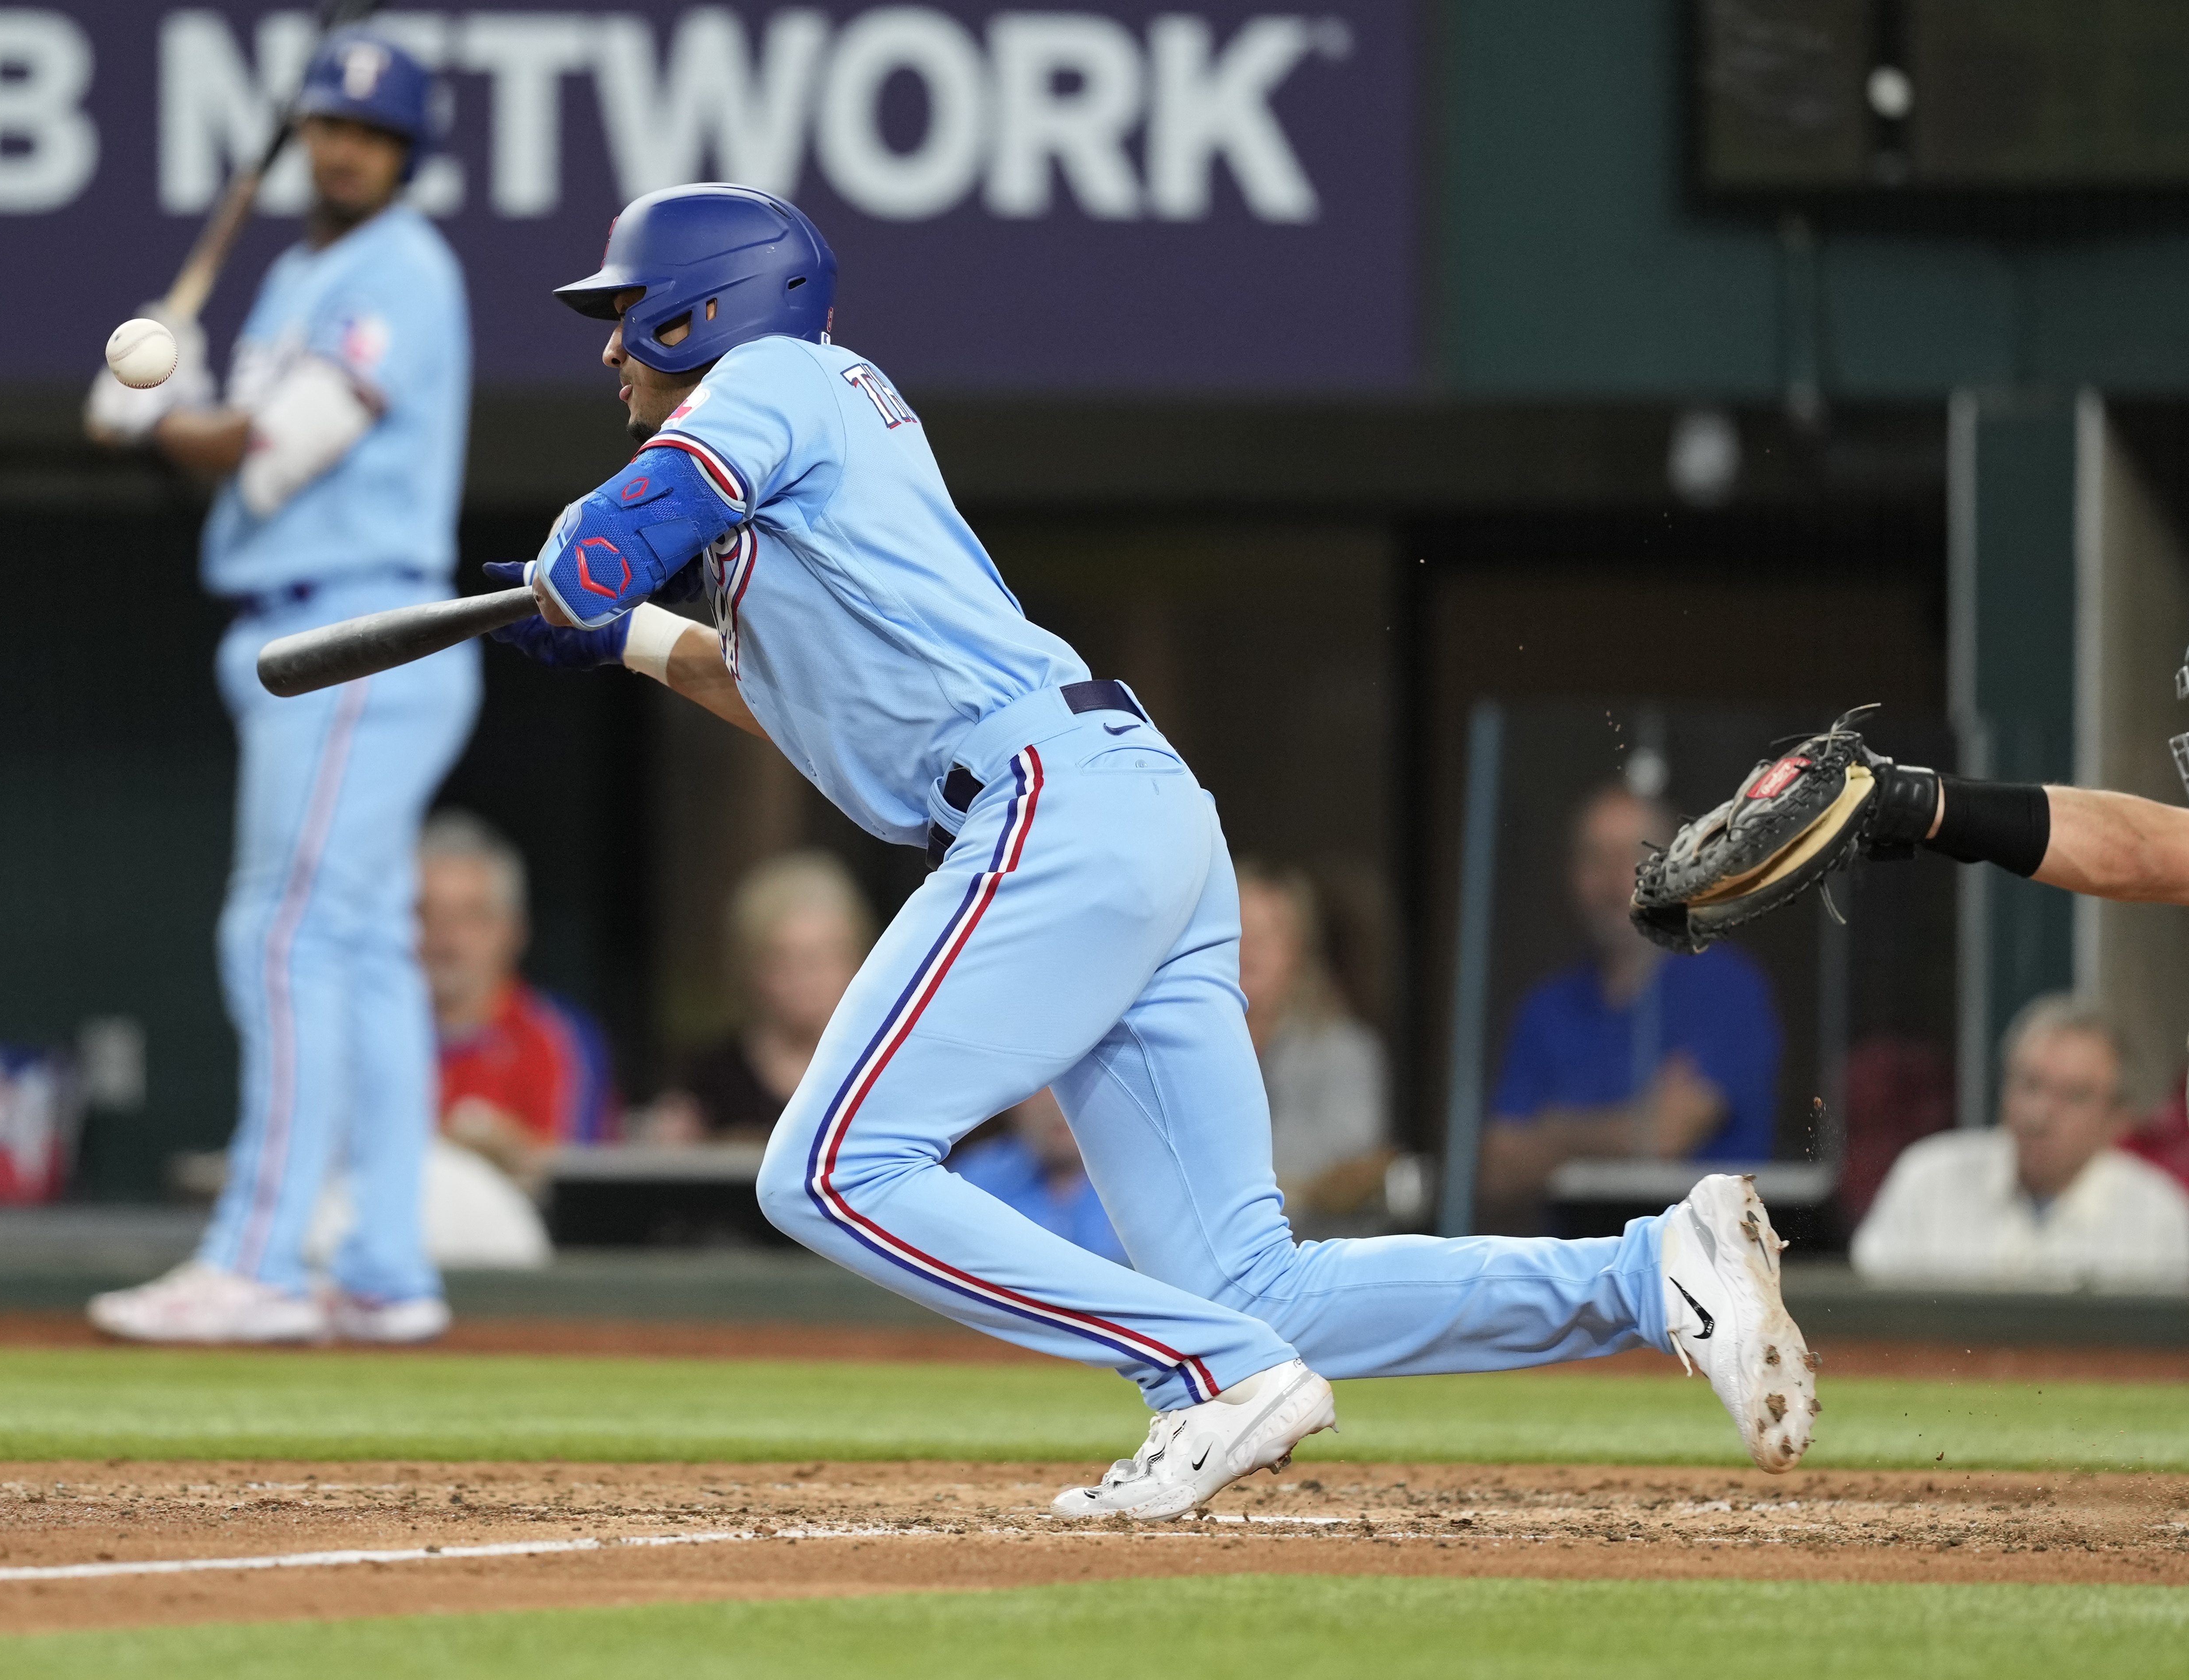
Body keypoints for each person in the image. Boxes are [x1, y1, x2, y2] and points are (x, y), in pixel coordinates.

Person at [489, 183, 1818, 1519]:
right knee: (1251, 1281)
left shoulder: (772, 376)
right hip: (1118, 807)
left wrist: (575, 569)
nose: (609, 349)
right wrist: (629, 637)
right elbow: (776, 685)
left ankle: (1210, 1376)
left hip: (1047, 809)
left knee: (829, 1169)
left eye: (627, 317)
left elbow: (617, 531)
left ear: (701, 308)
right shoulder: (794, 465)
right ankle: (1655, 1273)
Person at [84, 31, 475, 1344]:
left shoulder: (401, 268)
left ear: (407, 152)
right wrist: (174, 397)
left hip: (355, 626)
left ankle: (257, 1253)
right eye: (329, 125)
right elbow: (235, 432)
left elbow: (282, 445)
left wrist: (151, 419)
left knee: (288, 931)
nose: (346, 145)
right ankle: (379, 1265)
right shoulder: (299, 276)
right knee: (358, 949)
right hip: (315, 634)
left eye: (371, 131)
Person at [1481, 783, 1783, 1232]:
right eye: (1593, 859)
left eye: (1631, 857)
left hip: (1703, 1271)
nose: (1611, 879)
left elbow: (1664, 1135)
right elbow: (1495, 1172)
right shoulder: (1546, 1008)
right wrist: (1633, 1121)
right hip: (1576, 1276)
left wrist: (1551, 1131)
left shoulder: (1726, 988)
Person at [1852, 996, 2189, 1291]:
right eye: (2030, 1085)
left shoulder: (2159, 1216)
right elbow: (1869, 1320)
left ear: (2118, 1119)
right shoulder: (1927, 1179)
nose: (2039, 1114)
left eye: (2073, 1096)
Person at [419, 809, 622, 1188]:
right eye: (425, 914)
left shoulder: (560, 1038)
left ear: (514, 931)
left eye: (472, 916)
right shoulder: (357, 1038)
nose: (445, 938)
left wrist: (509, 1148)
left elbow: (582, 1183)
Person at [650, 851, 870, 1143]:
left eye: (820, 959)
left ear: (860, 961)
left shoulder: (889, 1068)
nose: (803, 980)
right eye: (781, 960)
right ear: (749, 969)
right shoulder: (707, 1081)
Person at [1234, 863, 1391, 1230]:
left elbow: (1343, 1166)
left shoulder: (1347, 1052)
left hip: (1307, 1254)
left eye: (1269, 933)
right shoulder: (1178, 1053)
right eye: (1239, 930)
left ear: (1298, 951)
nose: (1250, 948)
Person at [951, 1089, 1128, 1265]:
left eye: (1071, 1081)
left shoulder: (1146, 1185)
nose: (1055, 1105)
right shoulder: (970, 1181)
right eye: (1042, 1088)